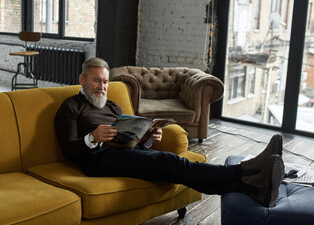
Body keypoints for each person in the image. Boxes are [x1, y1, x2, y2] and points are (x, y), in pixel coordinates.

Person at [55, 57, 284, 208]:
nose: (102, 87)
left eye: (105, 82)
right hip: (95, 160)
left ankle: (251, 186)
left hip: (120, 155)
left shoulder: (112, 106)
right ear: (82, 80)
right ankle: (247, 170)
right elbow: (68, 150)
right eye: (96, 81)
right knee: (169, 161)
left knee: (169, 167)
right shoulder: (71, 107)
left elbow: (129, 141)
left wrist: (147, 138)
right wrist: (93, 138)